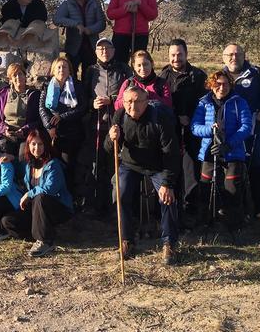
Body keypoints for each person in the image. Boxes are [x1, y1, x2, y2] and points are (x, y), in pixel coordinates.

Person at [105, 86, 182, 265]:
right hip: (130, 164)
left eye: (138, 101)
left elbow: (171, 153)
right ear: (123, 103)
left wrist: (168, 183)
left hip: (158, 165)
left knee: (168, 198)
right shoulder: (120, 116)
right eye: (129, 102)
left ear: (146, 101)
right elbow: (109, 149)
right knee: (120, 193)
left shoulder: (160, 117)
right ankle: (127, 241)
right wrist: (111, 138)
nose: (133, 106)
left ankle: (169, 242)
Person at [221, 44, 260, 223]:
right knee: (231, 171)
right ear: (223, 57)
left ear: (244, 56)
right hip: (229, 135)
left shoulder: (258, 75)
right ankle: (235, 210)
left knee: (255, 168)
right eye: (229, 55)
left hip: (253, 133)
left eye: (237, 54)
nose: (233, 58)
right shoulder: (219, 77)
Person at [191, 71, 254, 238]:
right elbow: (195, 127)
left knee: (231, 189)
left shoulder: (239, 102)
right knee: (205, 188)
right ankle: (203, 222)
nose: (221, 87)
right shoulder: (203, 103)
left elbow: (246, 127)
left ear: (230, 85)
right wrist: (210, 129)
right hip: (208, 152)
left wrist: (228, 145)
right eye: (217, 83)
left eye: (225, 83)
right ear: (211, 85)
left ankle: (234, 226)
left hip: (233, 153)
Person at [1, 129, 73, 257]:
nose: (36, 148)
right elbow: (19, 172)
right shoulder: (29, 165)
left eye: (40, 144)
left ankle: (44, 241)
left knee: (40, 197)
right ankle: (40, 232)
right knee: (8, 221)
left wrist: (29, 194)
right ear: (28, 145)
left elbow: (49, 189)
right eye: (33, 144)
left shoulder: (53, 165)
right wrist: (11, 158)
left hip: (57, 208)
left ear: (46, 145)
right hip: (36, 209)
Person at [83, 37, 133, 216]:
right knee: (96, 165)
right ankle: (95, 204)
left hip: (118, 124)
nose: (104, 51)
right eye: (100, 48)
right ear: (96, 52)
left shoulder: (123, 69)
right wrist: (92, 103)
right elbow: (83, 97)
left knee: (115, 166)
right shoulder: (90, 70)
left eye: (107, 48)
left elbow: (130, 92)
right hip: (96, 124)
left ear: (113, 50)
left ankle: (116, 207)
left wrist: (111, 100)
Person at [159, 38, 208, 215]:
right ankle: (172, 210)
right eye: (172, 55)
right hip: (170, 132)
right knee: (172, 171)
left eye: (180, 54)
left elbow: (205, 104)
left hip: (192, 132)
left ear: (186, 54)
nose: (176, 58)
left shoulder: (198, 76)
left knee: (190, 174)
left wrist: (191, 118)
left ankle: (190, 212)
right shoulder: (162, 76)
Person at [39, 56, 87, 197]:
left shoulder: (76, 86)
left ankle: (68, 196)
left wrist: (62, 117)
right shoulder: (47, 85)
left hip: (71, 132)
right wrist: (49, 126)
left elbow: (82, 107)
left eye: (64, 67)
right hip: (52, 133)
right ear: (53, 69)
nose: (61, 70)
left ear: (70, 70)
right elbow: (42, 108)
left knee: (67, 165)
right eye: (59, 67)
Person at [53, 0, 106, 79]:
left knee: (90, 76)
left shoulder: (95, 3)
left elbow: (102, 23)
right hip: (73, 47)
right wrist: (76, 24)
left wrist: (90, 29)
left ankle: (89, 95)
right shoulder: (67, 4)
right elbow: (57, 19)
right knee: (71, 76)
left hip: (91, 47)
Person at [106, 0, 158, 64]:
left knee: (139, 62)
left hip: (140, 35)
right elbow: (110, 14)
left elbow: (153, 15)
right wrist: (126, 8)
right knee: (118, 63)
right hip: (120, 34)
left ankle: (137, 79)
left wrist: (140, 4)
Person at [0, 63, 42, 159]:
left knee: (23, 158)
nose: (18, 77)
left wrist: (25, 130)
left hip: (26, 136)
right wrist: (4, 129)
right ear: (10, 79)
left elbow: (39, 120)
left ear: (25, 75)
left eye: (20, 74)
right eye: (14, 75)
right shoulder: (2, 94)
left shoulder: (34, 95)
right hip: (6, 136)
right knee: (4, 159)